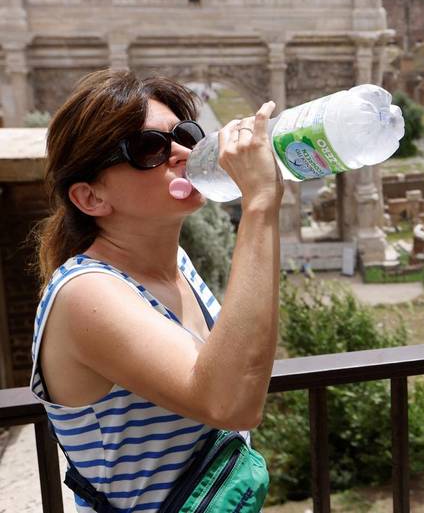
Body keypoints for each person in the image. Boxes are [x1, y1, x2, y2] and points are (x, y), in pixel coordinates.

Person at [29, 69, 283, 511]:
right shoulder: (85, 294)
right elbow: (230, 403)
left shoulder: (176, 263)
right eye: (150, 148)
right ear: (90, 198)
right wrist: (259, 204)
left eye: (185, 135)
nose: (184, 153)